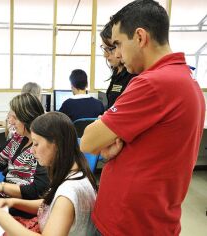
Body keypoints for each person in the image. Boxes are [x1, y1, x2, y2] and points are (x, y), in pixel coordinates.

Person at [80, 0, 206, 235]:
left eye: (117, 44)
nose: (116, 54)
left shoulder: (153, 83)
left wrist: (104, 134)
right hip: (153, 216)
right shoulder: (186, 79)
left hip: (127, 222)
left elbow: (88, 141)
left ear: (140, 37)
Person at [0, 112, 97, 235]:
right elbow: (48, 205)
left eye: (36, 144)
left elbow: (59, 206)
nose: (32, 150)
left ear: (56, 145)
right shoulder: (74, 171)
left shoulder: (68, 193)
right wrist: (13, 202)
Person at [100, 22, 136, 109]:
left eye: (110, 49)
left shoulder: (133, 74)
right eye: (104, 49)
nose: (105, 55)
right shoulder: (116, 72)